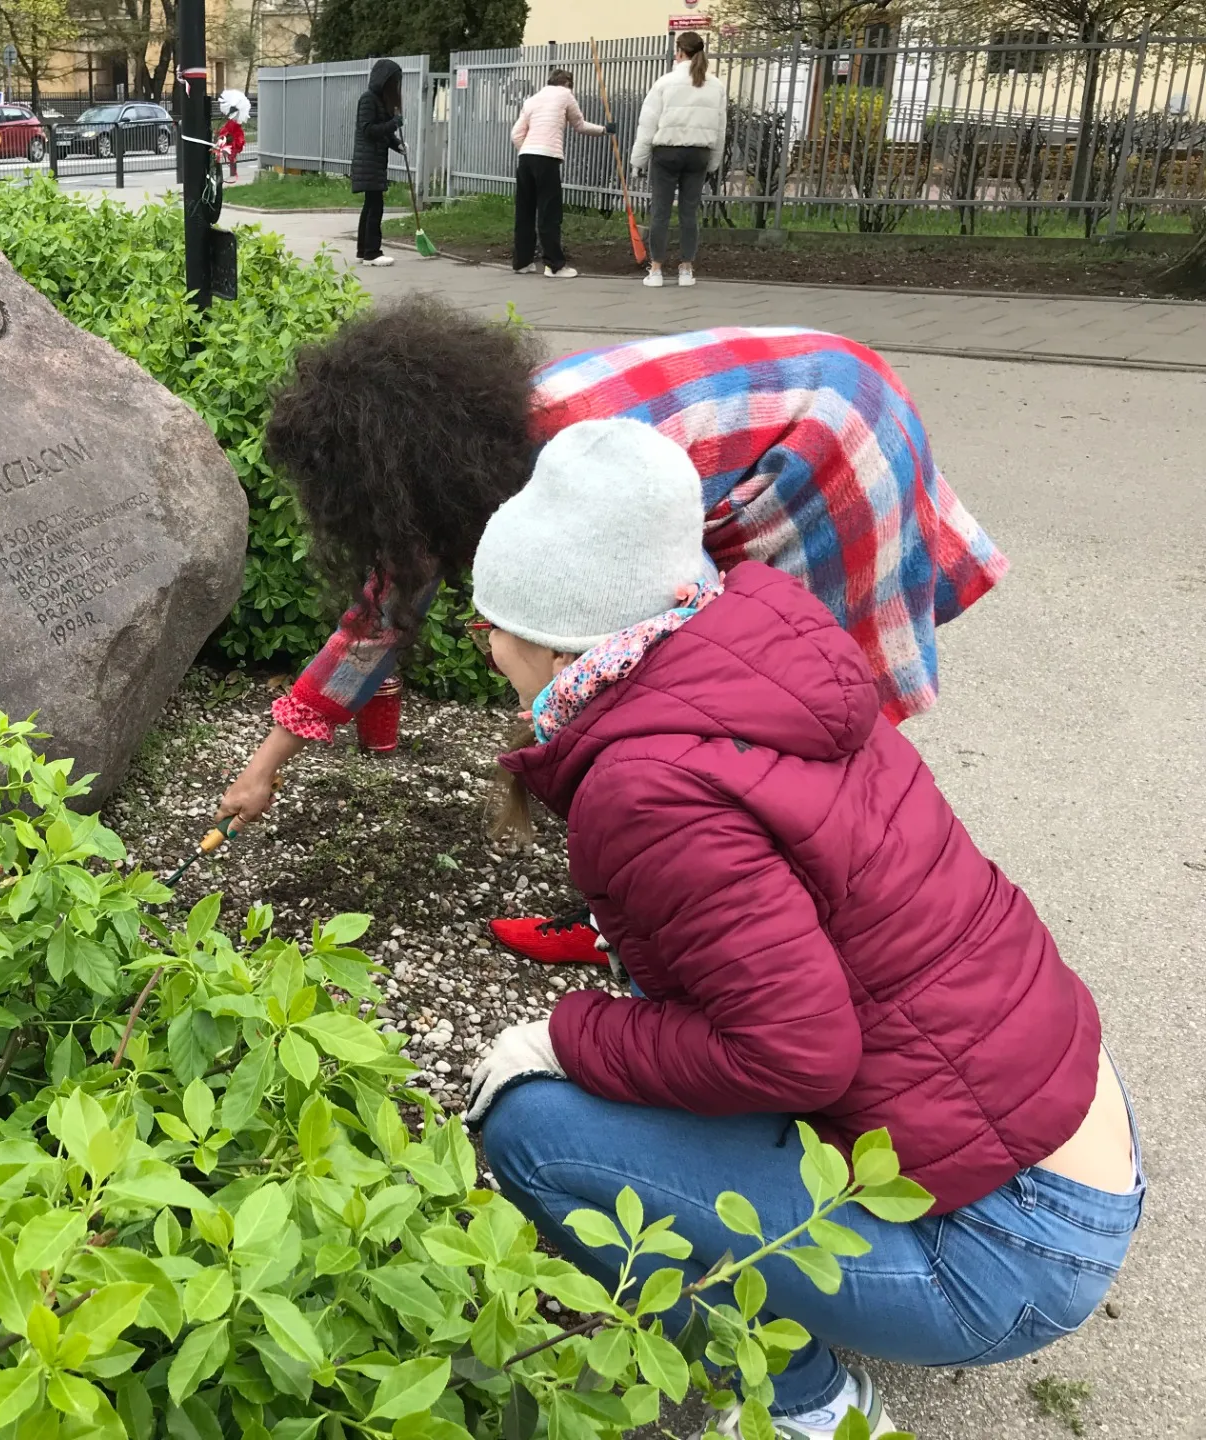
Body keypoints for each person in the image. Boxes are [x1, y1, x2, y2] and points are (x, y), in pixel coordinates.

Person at [462, 418, 1141, 1439]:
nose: (478, 642)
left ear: (554, 636)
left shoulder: (644, 785)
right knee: (675, 1022)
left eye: (489, 622)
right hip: (1066, 1139)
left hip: (1014, 1251)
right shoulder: (748, 649)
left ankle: (810, 1408)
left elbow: (797, 1052)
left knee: (532, 1128)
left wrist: (562, 1037)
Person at [219, 302, 1007, 963]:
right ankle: (674, 901)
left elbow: (664, 632)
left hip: (827, 437)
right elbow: (379, 619)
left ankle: (776, 915)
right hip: (808, 391)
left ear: (393, 474)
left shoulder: (587, 470)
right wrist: (263, 770)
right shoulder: (464, 454)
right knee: (661, 706)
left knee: (765, 692)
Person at [632, 31, 727, 288]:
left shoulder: (665, 82)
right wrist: (714, 161)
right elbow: (720, 128)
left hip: (667, 152)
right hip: (699, 154)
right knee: (689, 213)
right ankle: (686, 269)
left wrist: (638, 160)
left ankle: (656, 270)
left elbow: (648, 122)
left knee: (660, 212)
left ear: (680, 52)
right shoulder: (716, 85)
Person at [510, 69, 605, 279]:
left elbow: (516, 134)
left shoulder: (532, 100)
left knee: (524, 212)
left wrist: (528, 151)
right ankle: (554, 265)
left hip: (525, 158)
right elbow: (579, 125)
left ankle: (521, 262)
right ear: (568, 83)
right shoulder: (565, 95)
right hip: (547, 158)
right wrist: (604, 130)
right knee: (549, 212)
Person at [352, 59, 406, 267]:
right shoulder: (368, 99)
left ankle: (363, 251)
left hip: (374, 160)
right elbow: (369, 130)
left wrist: (397, 145)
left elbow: (383, 133)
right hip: (369, 162)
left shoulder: (380, 100)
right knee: (375, 207)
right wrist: (393, 124)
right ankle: (372, 253)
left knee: (371, 206)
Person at [216, 106, 246, 181]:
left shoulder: (233, 123)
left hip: (233, 139)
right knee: (231, 156)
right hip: (231, 139)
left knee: (232, 156)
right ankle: (233, 172)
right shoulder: (232, 123)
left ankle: (233, 172)